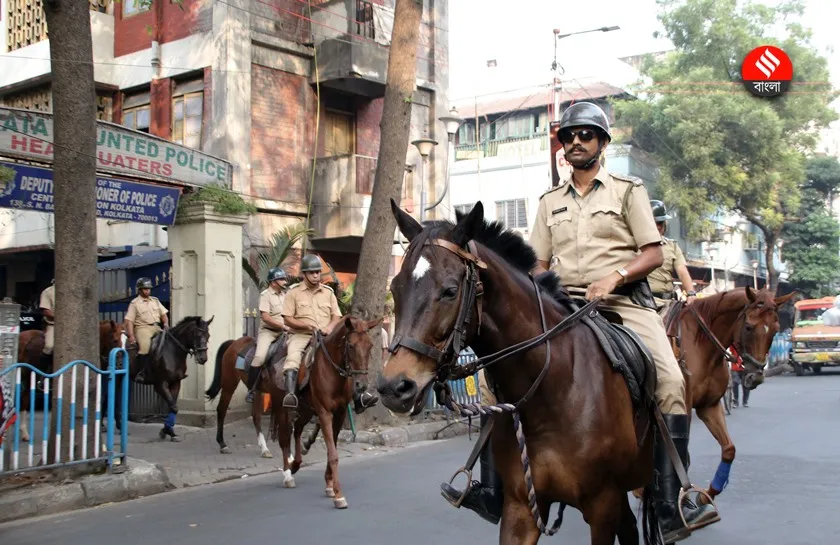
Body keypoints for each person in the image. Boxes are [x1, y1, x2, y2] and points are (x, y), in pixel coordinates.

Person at [440, 102, 717, 542]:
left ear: (602, 143)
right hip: (561, 305)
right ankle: (491, 490)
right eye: (568, 137)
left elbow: (653, 251)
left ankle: (669, 501)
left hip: (623, 303)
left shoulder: (628, 191)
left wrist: (615, 277)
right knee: (495, 385)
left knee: (670, 380)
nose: (575, 142)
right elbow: (538, 263)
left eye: (585, 135)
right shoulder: (550, 202)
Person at [280, 255, 345, 408]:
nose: (316, 275)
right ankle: (290, 395)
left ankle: (358, 395)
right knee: (292, 358)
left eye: (317, 272)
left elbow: (337, 315)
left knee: (348, 355)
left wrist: (329, 328)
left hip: (326, 336)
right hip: (301, 335)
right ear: (303, 274)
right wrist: (306, 326)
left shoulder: (328, 292)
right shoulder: (293, 293)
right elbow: (287, 318)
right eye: (312, 272)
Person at [245, 267, 289, 403]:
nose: (284, 281)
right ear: (273, 282)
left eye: (284, 278)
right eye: (281, 279)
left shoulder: (285, 294)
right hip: (269, 331)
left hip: (286, 331)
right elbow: (266, 317)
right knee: (259, 357)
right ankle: (251, 389)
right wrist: (282, 326)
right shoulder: (265, 295)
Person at [647, 200, 697, 315]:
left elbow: (682, 272)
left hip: (670, 303)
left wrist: (691, 294)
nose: (659, 226)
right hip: (646, 303)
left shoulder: (672, 246)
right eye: (655, 223)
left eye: (661, 223)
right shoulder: (636, 246)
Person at [124, 277, 169, 383]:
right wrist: (131, 335)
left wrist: (166, 324)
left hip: (157, 327)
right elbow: (129, 320)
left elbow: (164, 315)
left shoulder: (155, 301)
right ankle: (142, 372)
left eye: (149, 289)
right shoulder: (135, 303)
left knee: (169, 344)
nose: (147, 291)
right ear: (139, 290)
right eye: (145, 289)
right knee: (145, 347)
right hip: (142, 328)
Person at [38, 279, 55, 363]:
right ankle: (42, 371)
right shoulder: (48, 292)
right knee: (49, 346)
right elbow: (46, 311)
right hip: (54, 324)